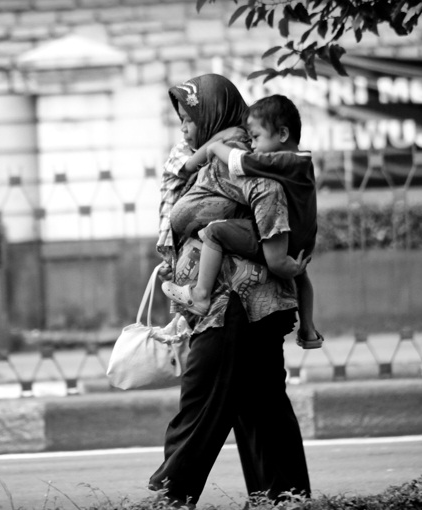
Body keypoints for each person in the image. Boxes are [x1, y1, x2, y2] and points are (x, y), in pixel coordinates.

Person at [150, 74, 311, 508]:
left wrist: (272, 252)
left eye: (189, 118)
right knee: (261, 406)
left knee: (202, 403)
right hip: (247, 303)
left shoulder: (235, 152)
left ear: (211, 112)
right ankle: (286, 498)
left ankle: (170, 498)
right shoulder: (215, 153)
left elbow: (266, 191)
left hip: (232, 304)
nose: (184, 128)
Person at [161, 94, 323, 349]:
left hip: (279, 241)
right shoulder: (301, 162)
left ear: (282, 134)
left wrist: (215, 147)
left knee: (215, 232)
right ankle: (308, 330)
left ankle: (201, 295)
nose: (252, 145)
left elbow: (241, 163)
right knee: (301, 277)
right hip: (300, 239)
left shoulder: (283, 160)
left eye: (256, 137)